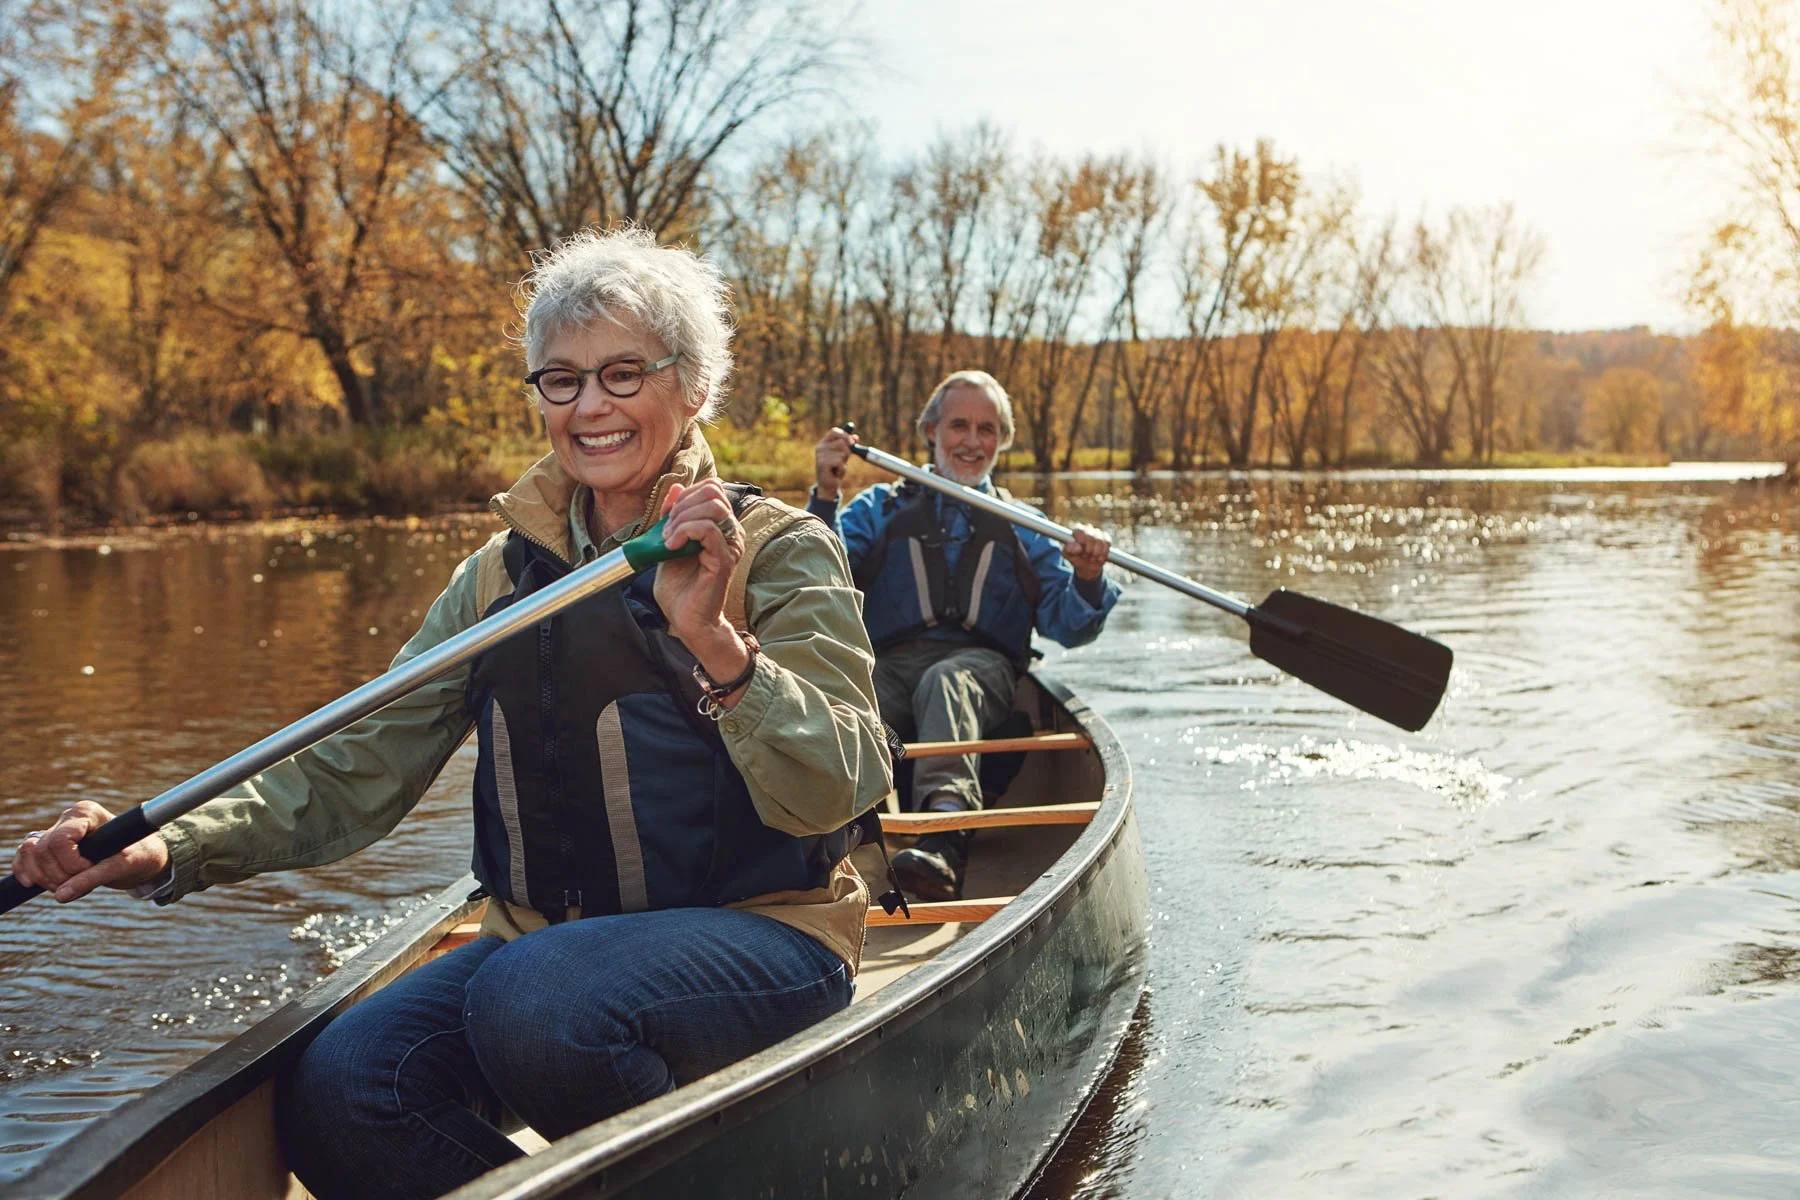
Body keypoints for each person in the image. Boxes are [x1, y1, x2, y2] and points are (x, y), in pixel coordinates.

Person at [9, 228, 893, 1200]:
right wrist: (164, 846)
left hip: (764, 938)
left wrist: (718, 647)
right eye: (560, 380)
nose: (589, 406)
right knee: (344, 1094)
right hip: (538, 953)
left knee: (538, 1003)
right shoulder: (494, 581)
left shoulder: (779, 547)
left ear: (692, 387)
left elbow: (845, 782)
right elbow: (350, 767)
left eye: (622, 373)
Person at [808, 370, 1119, 901]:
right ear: (931, 431)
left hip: (983, 672)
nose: (973, 442)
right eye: (959, 425)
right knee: (849, 689)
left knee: (946, 681)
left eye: (988, 429)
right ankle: (830, 840)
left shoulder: (1024, 525)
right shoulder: (877, 509)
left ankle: (944, 838)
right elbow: (816, 580)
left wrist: (1089, 577)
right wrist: (827, 494)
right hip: (890, 666)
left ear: (1002, 441)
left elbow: (1069, 625)